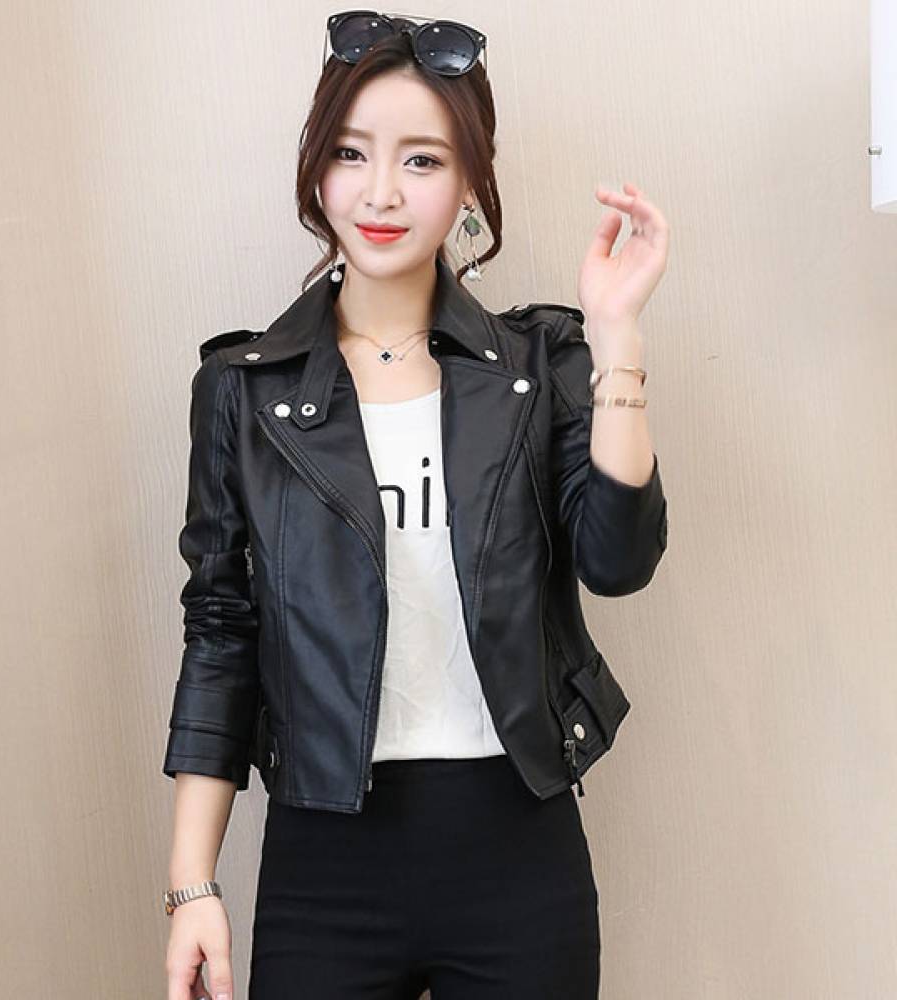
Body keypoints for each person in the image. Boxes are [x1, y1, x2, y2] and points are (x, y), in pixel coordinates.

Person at [162, 12, 670, 1000]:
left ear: (471, 181)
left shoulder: (541, 366)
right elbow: (220, 633)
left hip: (517, 852)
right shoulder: (242, 392)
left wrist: (616, 338)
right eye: (350, 153)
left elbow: (618, 562)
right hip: (324, 861)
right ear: (316, 169)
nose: (381, 191)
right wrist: (193, 885)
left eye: (422, 159)